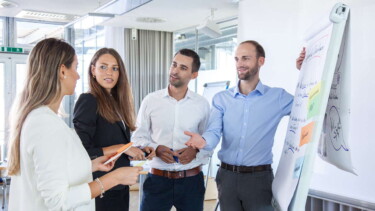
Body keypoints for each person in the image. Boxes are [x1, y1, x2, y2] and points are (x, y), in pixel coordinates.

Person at [7, 38, 142, 211]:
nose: (78, 75)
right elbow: (58, 201)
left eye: (114, 68)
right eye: (76, 67)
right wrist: (114, 178)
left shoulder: (45, 120)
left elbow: (59, 168)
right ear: (63, 71)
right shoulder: (44, 124)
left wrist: (91, 165)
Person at [186, 40, 299, 210]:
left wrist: (304, 72)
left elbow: (309, 107)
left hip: (259, 179)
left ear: (261, 61)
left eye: (245, 58)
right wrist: (203, 141)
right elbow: (214, 131)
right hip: (227, 178)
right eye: (237, 59)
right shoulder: (221, 98)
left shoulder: (277, 97)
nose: (240, 64)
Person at [73, 48, 154, 211]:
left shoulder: (116, 104)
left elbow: (113, 143)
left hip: (120, 186)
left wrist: (137, 150)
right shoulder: (88, 100)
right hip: (101, 187)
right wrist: (122, 148)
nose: (109, 72)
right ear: (93, 70)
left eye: (114, 68)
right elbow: (81, 152)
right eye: (103, 67)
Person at [131, 49, 211, 211]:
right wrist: (156, 149)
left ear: (194, 75)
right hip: (157, 181)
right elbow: (137, 138)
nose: (175, 70)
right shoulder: (151, 100)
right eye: (174, 65)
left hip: (191, 182)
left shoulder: (202, 104)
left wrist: (195, 151)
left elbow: (208, 142)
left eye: (183, 67)